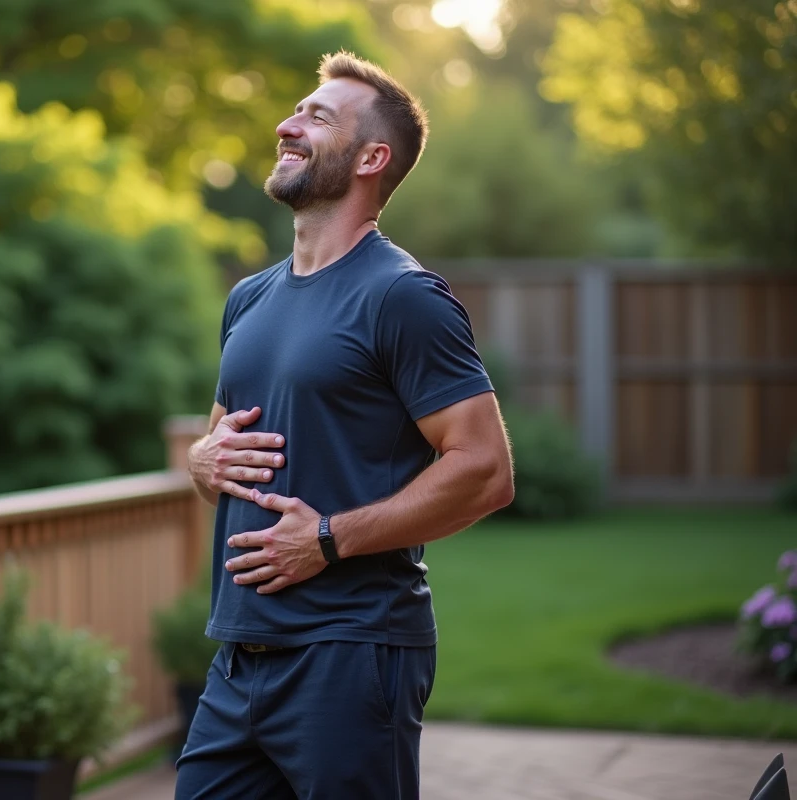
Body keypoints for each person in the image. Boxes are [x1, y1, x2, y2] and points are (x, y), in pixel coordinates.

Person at [175, 50, 515, 799]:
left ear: (371, 158)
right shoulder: (249, 299)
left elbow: (486, 470)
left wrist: (327, 538)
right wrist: (201, 460)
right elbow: (215, 453)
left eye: (317, 117)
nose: (286, 125)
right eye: (296, 111)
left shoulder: (403, 296)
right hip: (239, 657)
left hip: (351, 653)